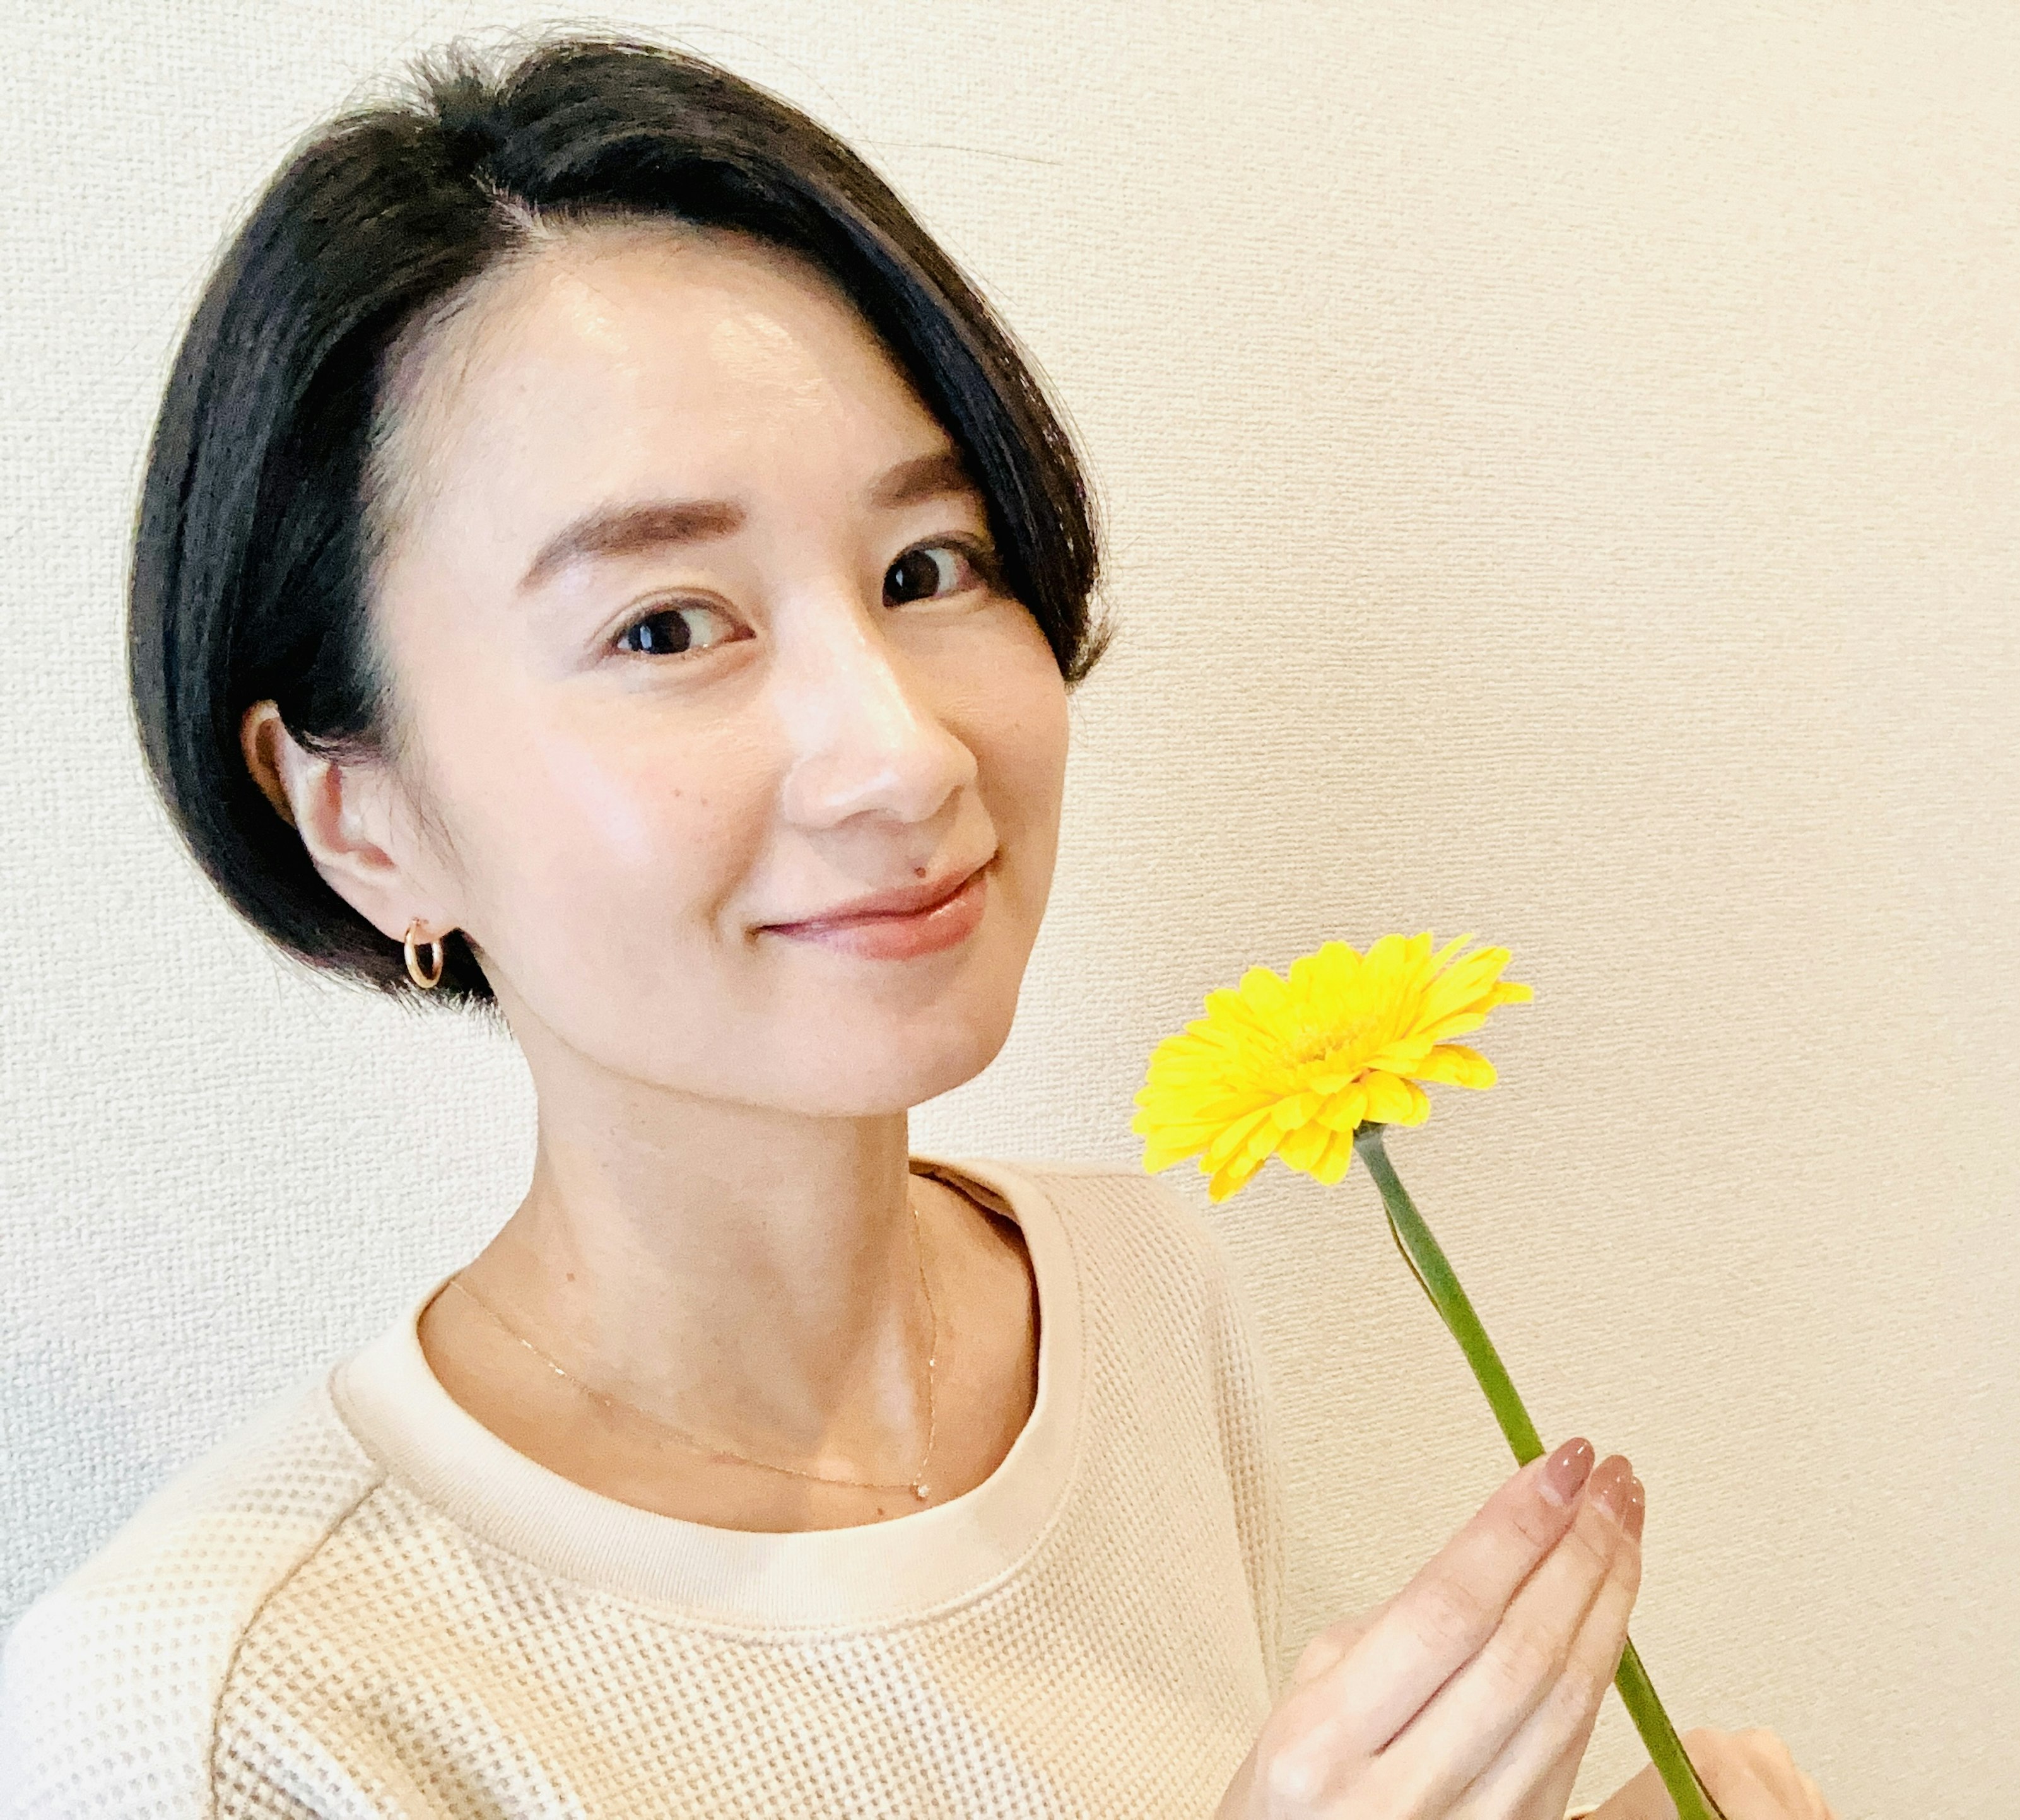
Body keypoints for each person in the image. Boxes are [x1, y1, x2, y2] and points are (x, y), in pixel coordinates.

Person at [0, 35, 1834, 1820]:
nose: (899, 751)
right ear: (363, 818)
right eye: (664, 625)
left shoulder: (1140, 1298)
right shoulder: (219, 1723)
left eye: (926, 570)